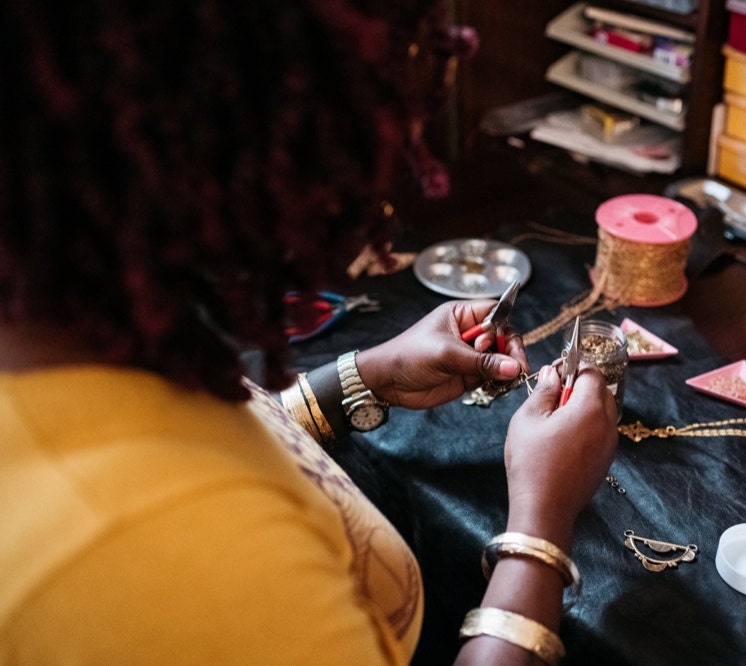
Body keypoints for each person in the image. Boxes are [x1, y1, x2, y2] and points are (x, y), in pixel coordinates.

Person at [0, 1, 620, 664]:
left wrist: (361, 379)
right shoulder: (162, 552)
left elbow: (212, 438)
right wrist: (540, 525)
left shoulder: (71, 317)